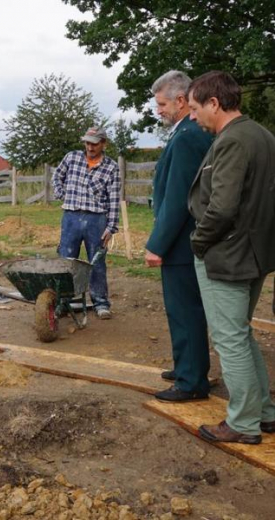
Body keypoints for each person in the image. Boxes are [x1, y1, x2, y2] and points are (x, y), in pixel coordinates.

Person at [187, 71, 275, 444]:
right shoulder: (263, 135)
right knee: (241, 335)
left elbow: (222, 208)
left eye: (194, 108)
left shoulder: (233, 141)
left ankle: (242, 423)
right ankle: (265, 413)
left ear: (214, 103)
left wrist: (199, 242)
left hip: (229, 255)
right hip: (255, 252)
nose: (192, 116)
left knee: (230, 339)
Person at [145, 71, 214, 402]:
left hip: (182, 242)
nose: (158, 110)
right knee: (184, 309)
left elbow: (178, 198)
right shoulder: (185, 132)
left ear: (182, 101)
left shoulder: (187, 136)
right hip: (184, 240)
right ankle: (187, 365)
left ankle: (191, 381)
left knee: (185, 309)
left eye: (162, 104)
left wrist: (157, 243)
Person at [52, 126, 121, 318]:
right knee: (66, 261)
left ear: (103, 144)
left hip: (96, 219)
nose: (90, 147)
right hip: (71, 217)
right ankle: (62, 302)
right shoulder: (72, 158)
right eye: (88, 143)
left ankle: (101, 303)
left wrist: (111, 227)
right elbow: (57, 176)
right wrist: (61, 193)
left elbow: (114, 199)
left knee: (96, 262)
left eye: (95, 144)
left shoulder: (111, 167)